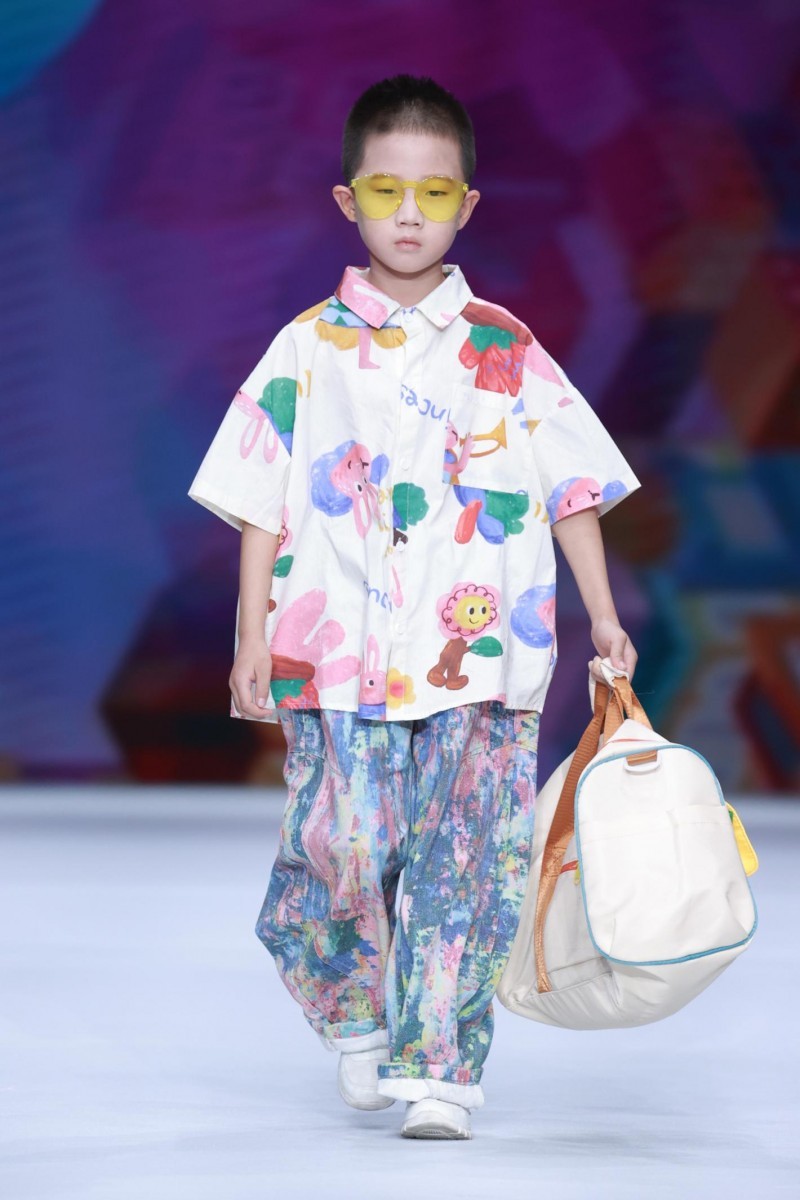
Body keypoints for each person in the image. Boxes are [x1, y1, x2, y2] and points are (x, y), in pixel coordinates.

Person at [188, 74, 640, 1141]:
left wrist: (604, 615)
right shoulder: (306, 346)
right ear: (348, 201)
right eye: (385, 191)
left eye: (431, 194)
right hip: (331, 651)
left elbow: (570, 487)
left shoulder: (504, 345)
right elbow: (258, 498)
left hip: (480, 654)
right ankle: (354, 1008)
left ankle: (438, 1070)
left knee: (465, 862)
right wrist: (250, 634)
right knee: (337, 846)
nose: (406, 215)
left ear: (465, 206)